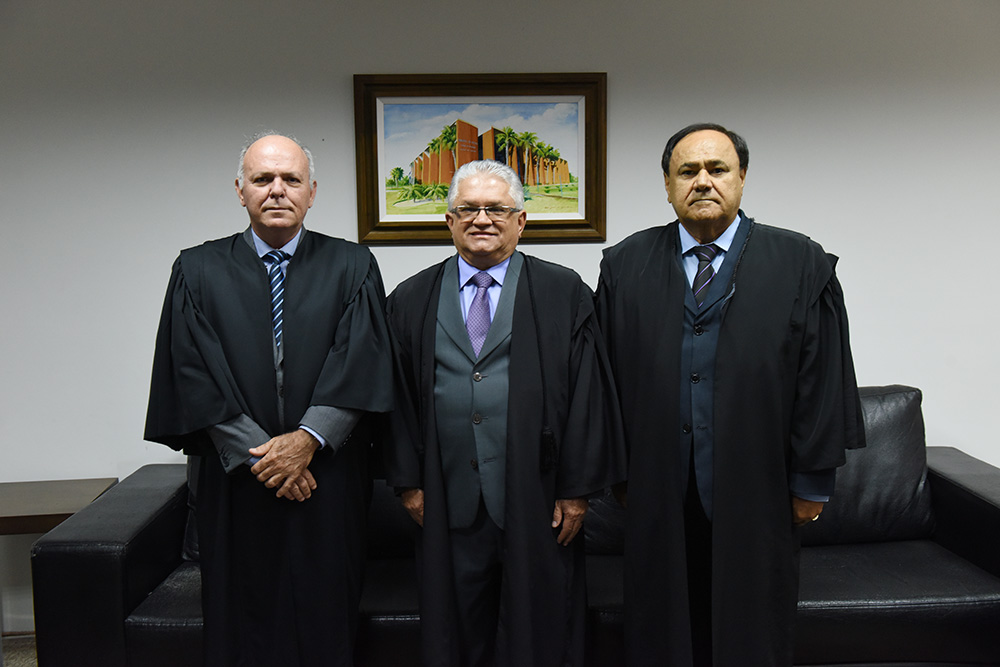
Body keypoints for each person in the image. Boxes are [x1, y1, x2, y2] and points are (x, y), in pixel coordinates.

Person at [596, 123, 865, 666]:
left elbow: (821, 378)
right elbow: (606, 379)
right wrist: (619, 475)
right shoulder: (624, 264)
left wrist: (812, 482)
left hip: (759, 484)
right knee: (661, 619)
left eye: (717, 169)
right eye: (687, 171)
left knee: (753, 619)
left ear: (741, 177)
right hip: (656, 483)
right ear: (667, 185)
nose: (703, 181)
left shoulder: (801, 263)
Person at [143, 132, 394, 666]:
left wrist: (306, 441)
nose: (277, 190)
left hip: (326, 476)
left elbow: (361, 361)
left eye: (291, 179)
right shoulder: (197, 269)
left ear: (311, 191)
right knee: (241, 615)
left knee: (327, 609)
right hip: (237, 477)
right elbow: (190, 370)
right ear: (241, 191)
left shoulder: (352, 265)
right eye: (262, 179)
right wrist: (265, 457)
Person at [384, 160, 626, 667]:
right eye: (468, 209)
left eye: (496, 208)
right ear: (449, 221)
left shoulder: (564, 292)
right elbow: (396, 399)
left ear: (521, 220)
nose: (482, 219)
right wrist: (408, 484)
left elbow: (589, 396)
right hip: (446, 497)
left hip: (537, 497)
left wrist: (576, 491)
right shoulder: (410, 298)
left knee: (537, 629)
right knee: (456, 632)